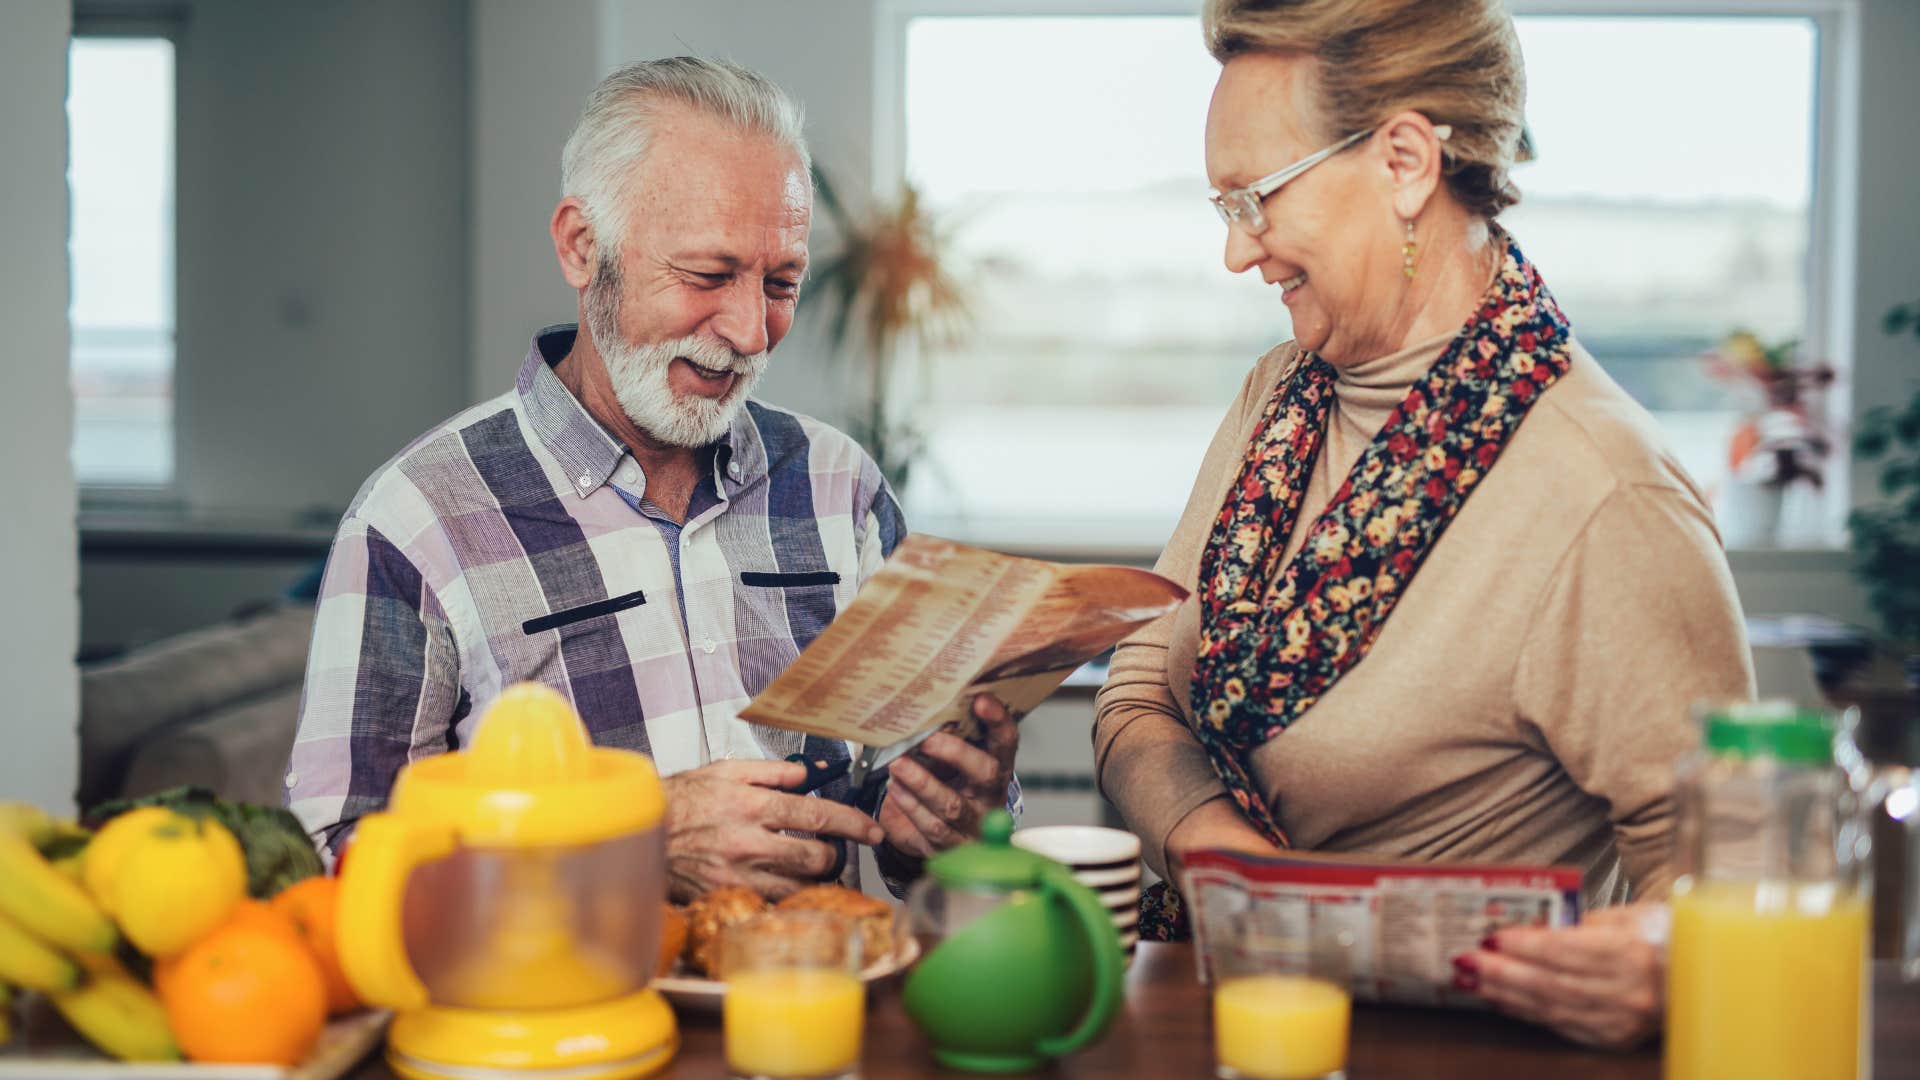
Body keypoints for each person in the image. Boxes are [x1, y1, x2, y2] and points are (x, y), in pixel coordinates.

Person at [1092, 0, 1752, 1049]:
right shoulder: (1283, 396)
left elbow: (1733, 882)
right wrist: (1230, 863)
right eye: (1224, 208)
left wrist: (1670, 959)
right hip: (1233, 1032)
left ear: (1405, 161)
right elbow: (1138, 692)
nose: (1238, 253)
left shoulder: (1606, 495)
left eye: (1255, 199)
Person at [287, 57, 1018, 901]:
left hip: (813, 1014)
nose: (750, 331)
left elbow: (917, 822)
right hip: (566, 1025)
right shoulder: (416, 519)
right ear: (581, 246)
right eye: (708, 276)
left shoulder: (839, 485)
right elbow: (335, 864)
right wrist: (628, 839)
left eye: (781, 284)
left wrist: (950, 818)